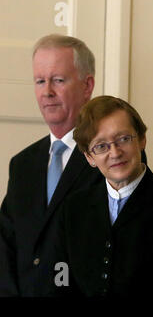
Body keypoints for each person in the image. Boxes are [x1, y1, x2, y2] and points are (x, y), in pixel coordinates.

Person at [0, 34, 101, 296]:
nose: (47, 92)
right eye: (40, 81)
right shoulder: (22, 165)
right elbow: (6, 246)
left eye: (58, 80)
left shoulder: (111, 157)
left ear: (87, 85)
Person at [52, 96, 153, 297]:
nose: (114, 153)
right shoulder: (73, 207)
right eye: (101, 146)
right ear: (90, 157)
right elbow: (60, 277)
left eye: (123, 139)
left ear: (142, 139)